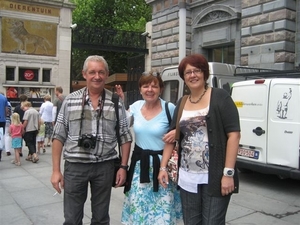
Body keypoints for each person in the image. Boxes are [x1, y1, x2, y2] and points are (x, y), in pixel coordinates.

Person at [158, 54, 241, 225]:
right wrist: (163, 167)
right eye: (188, 72)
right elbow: (171, 138)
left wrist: (228, 173)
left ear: (204, 73)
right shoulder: (181, 102)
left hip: (216, 177)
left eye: (196, 70)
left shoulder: (220, 97)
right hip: (188, 178)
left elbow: (234, 135)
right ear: (183, 77)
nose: (192, 75)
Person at [51, 55, 132, 225]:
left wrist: (123, 167)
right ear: (84, 74)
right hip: (75, 167)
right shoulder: (70, 101)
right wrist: (56, 170)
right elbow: (58, 135)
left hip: (105, 166)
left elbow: (125, 136)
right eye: (92, 72)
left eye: (101, 72)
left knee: (101, 218)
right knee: (72, 219)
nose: (97, 76)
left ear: (107, 74)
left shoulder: (115, 102)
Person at [115, 72, 182, 225]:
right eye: (146, 86)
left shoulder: (169, 108)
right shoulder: (135, 107)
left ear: (160, 89)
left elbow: (180, 131)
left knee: (161, 212)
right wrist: (120, 104)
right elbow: (123, 126)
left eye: (154, 86)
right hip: (139, 168)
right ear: (140, 89)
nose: (150, 89)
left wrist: (177, 132)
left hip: (162, 166)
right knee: (139, 210)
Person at [0, 93, 9, 161]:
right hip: (2, 120)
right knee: (1, 137)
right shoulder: (3, 98)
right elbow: (6, 110)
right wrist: (4, 117)